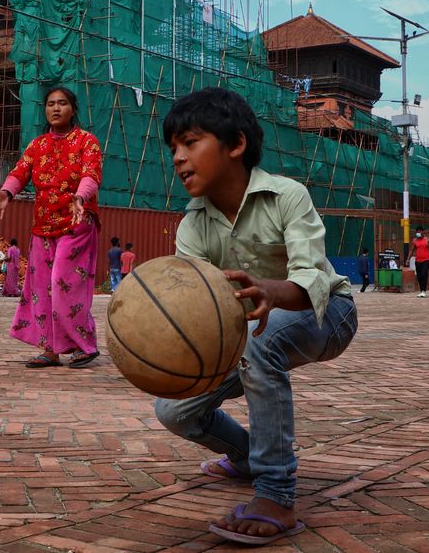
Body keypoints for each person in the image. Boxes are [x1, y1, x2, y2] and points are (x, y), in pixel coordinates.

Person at [153, 87, 357, 546]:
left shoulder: (288, 196)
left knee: (258, 343)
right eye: (173, 149)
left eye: (190, 142)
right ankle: (246, 457)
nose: (178, 158)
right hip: (242, 335)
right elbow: (197, 303)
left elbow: (311, 280)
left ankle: (276, 494)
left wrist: (271, 290)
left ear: (236, 144)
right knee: (174, 409)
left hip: (329, 314)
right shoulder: (193, 226)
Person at [0, 86, 103, 368]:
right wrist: (7, 192)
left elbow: (91, 174)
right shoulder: (37, 145)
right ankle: (50, 349)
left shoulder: (87, 142)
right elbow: (19, 172)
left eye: (62, 103)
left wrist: (80, 196)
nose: (55, 108)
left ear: (73, 109)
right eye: (50, 103)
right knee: (41, 287)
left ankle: (83, 345)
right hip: (43, 226)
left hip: (77, 224)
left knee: (63, 283)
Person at [412, 228, 429, 298]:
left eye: (419, 232)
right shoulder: (415, 240)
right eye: (417, 232)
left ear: (422, 232)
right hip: (418, 260)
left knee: (424, 275)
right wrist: (408, 259)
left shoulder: (428, 240)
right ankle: (421, 290)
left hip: (426, 260)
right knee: (419, 276)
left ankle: (424, 291)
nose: (418, 233)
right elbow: (411, 250)